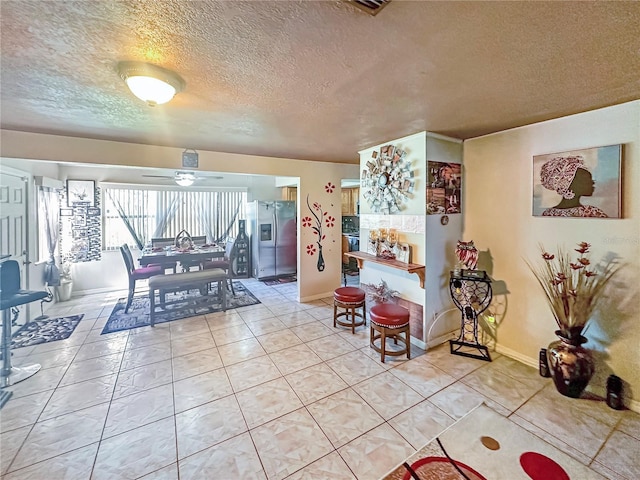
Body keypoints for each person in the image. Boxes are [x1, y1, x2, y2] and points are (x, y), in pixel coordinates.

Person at [539, 155, 607, 217]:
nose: (592, 182)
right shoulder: (591, 213)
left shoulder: (548, 214)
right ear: (570, 184)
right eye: (586, 180)